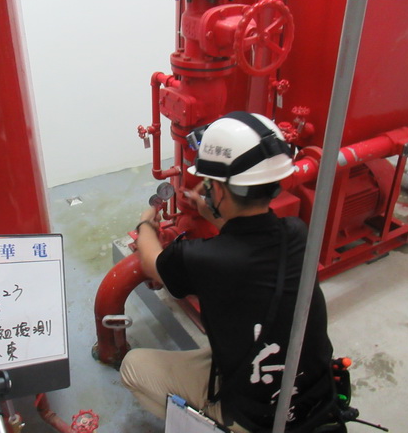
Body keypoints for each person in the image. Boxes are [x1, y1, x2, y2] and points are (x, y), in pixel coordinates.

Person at [120, 111, 337, 432]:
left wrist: (145, 224)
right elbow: (246, 242)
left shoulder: (200, 258)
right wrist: (217, 213)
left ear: (219, 192)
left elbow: (152, 262)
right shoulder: (297, 232)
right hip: (315, 399)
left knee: (133, 367)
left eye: (210, 185)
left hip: (257, 419)